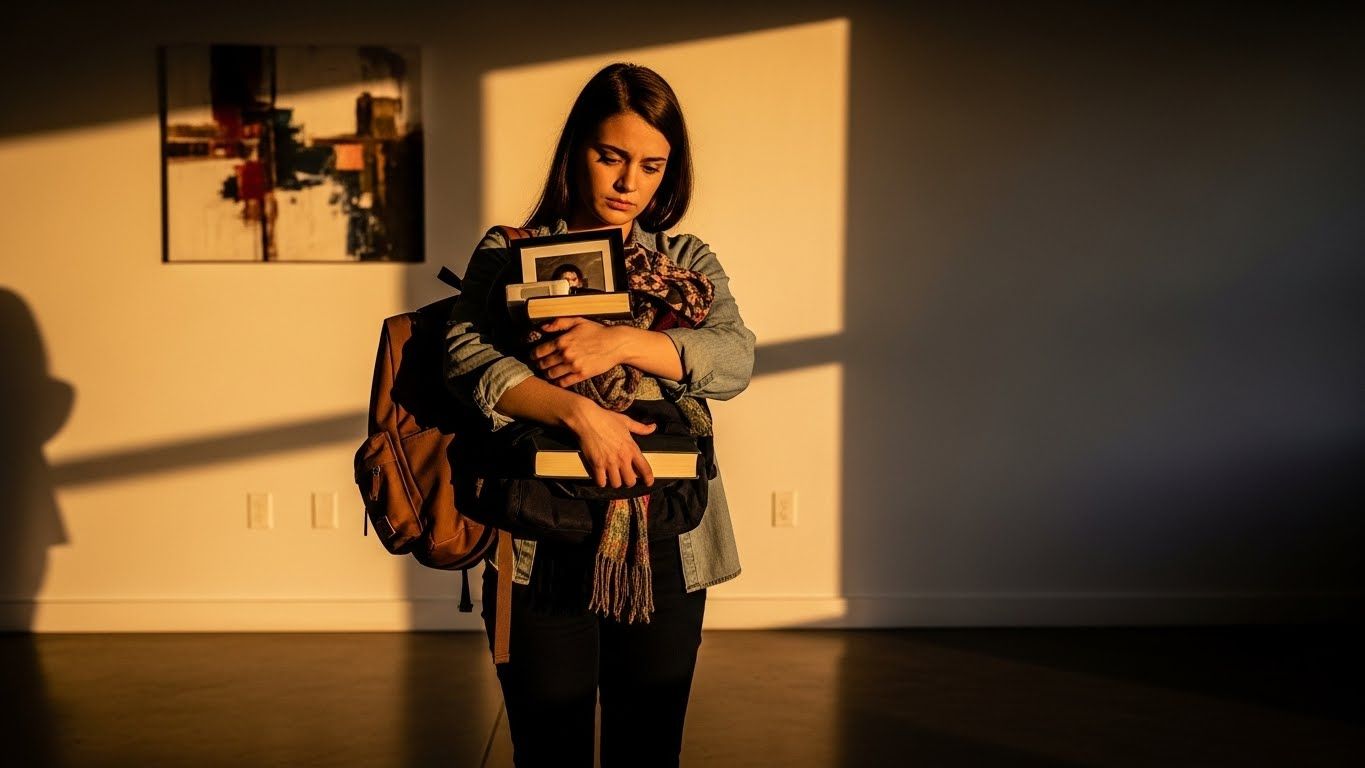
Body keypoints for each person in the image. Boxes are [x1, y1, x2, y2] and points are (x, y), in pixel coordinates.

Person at [443, 62, 755, 767]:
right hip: (538, 534)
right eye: (609, 156)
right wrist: (586, 418)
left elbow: (734, 359)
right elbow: (466, 360)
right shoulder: (511, 252)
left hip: (667, 535)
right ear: (574, 149)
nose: (626, 183)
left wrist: (617, 342)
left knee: (648, 747)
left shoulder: (685, 260)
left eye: (650, 165)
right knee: (547, 746)